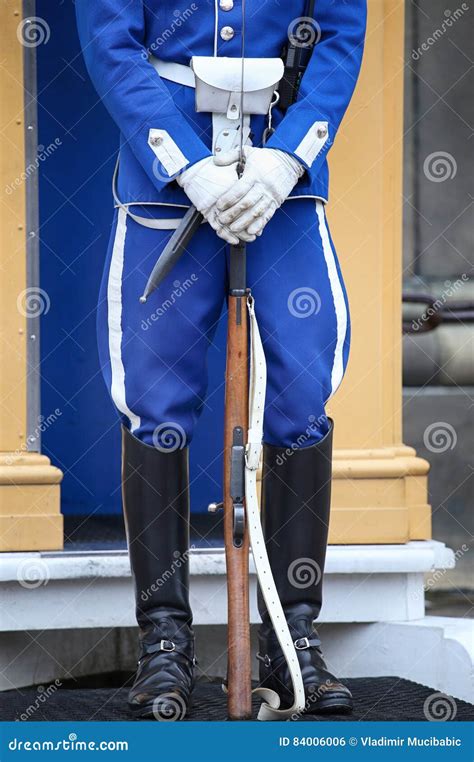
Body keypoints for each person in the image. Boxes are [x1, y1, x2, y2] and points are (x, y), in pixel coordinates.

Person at [75, 0, 367, 719]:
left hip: (281, 177)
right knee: (154, 401)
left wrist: (288, 156)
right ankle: (165, 644)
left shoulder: (284, 165)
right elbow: (113, 45)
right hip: (166, 180)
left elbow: (339, 35)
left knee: (304, 386)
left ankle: (291, 637)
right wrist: (187, 166)